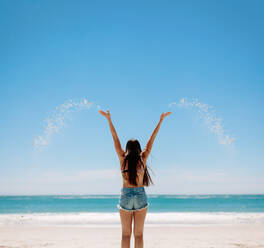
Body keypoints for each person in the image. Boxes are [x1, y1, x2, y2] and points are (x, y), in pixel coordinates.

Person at [98, 109, 172, 248]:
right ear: (138, 149)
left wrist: (109, 120)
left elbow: (115, 138)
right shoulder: (143, 158)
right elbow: (152, 139)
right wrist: (160, 120)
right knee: (139, 235)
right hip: (140, 194)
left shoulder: (122, 158)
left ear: (127, 148)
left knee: (126, 234)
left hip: (126, 194)